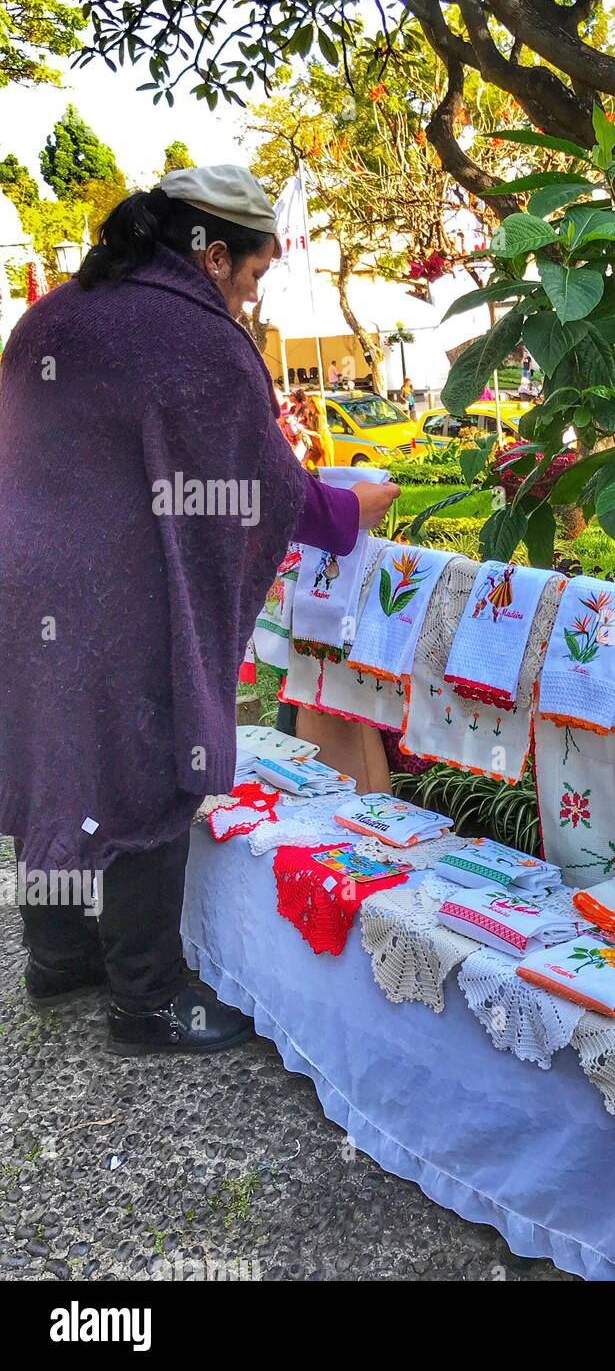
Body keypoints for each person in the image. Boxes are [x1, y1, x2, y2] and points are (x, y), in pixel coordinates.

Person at [0, 165, 399, 1056]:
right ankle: (147, 999)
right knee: (153, 755)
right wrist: (352, 511)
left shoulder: (52, 314)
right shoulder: (195, 337)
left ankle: (58, 953)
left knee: (55, 753)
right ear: (214, 256)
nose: (252, 300)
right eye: (254, 277)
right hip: (116, 593)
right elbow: (260, 485)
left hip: (23, 583)